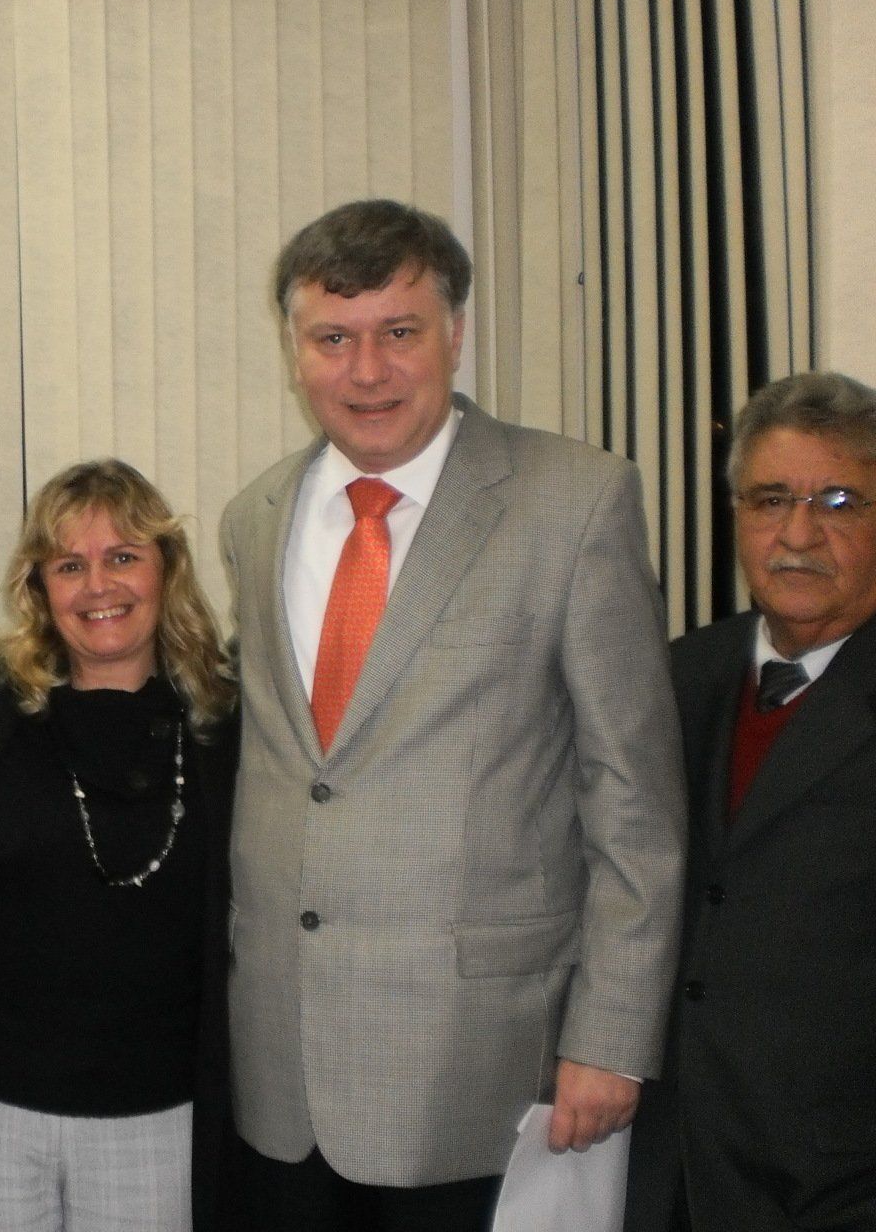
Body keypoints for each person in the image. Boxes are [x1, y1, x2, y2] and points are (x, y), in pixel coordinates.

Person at [219, 198, 687, 1229]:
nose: (367, 371)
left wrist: (610, 1037)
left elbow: (634, 799)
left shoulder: (576, 502)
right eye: (332, 339)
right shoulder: (254, 518)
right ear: (294, 350)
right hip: (284, 1068)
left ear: (456, 332)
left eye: (400, 331)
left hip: (482, 1064)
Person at [0, 458, 238, 1231]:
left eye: (123, 556)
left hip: (154, 1119)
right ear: (38, 586)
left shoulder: (230, 726)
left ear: (167, 568)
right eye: (69, 565)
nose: (98, 586)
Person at [622, 371, 876, 1232]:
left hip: (839, 1184)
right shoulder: (675, 676)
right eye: (770, 500)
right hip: (669, 1170)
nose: (798, 534)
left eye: (838, 501)